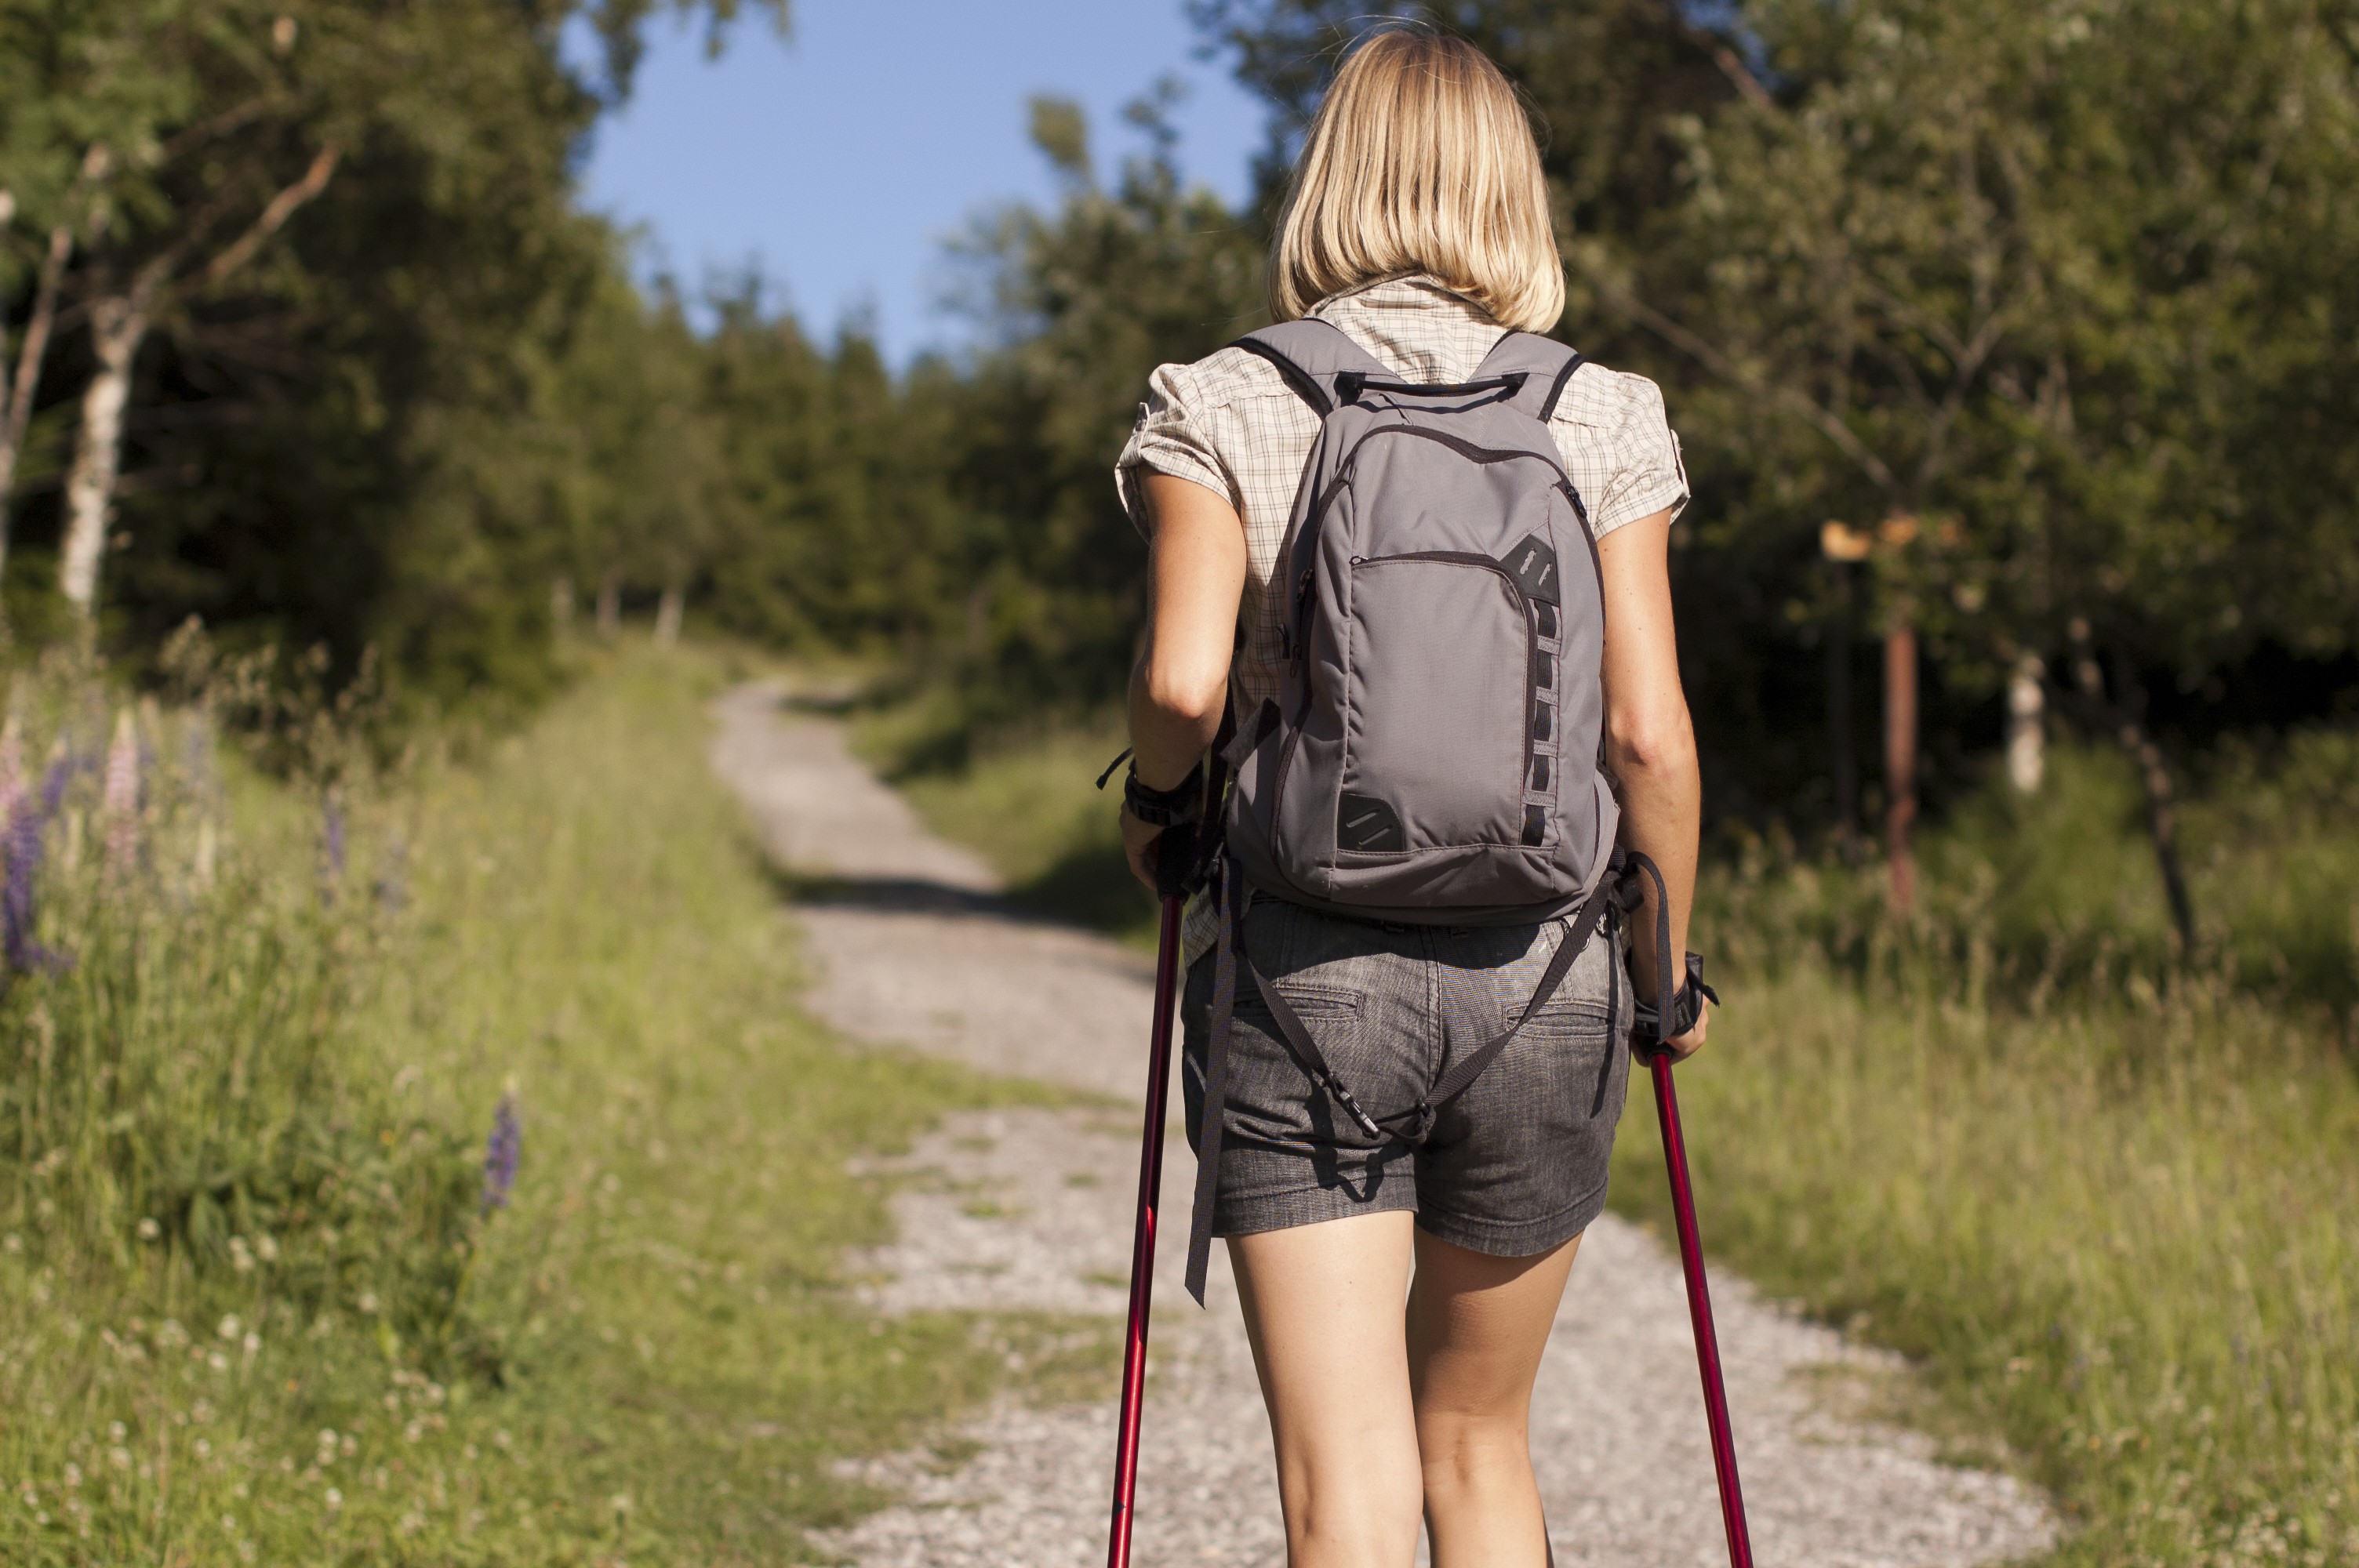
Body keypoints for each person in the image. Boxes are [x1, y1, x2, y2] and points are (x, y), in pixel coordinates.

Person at [1110, 24, 1711, 1568]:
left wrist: (1158, 812)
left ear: (1332, 180)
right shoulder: (1604, 415)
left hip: (1304, 981)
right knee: (1480, 1449)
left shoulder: (1229, 399)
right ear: (1513, 193)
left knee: (1347, 1482)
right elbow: (1646, 737)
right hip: (1547, 982)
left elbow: (1182, 688)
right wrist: (1663, 983)